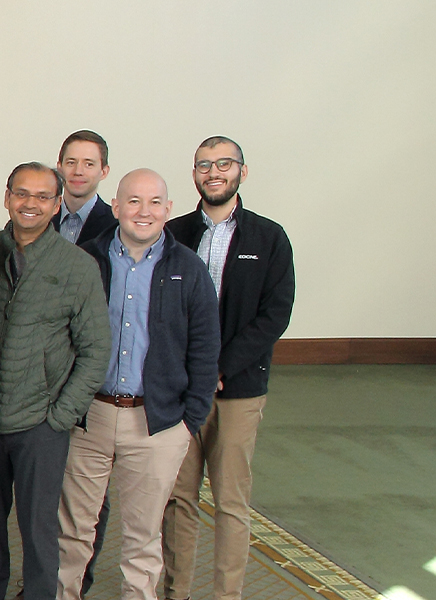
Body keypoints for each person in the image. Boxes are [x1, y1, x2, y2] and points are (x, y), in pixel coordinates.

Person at [58, 169, 221, 600]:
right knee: (73, 534)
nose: (143, 211)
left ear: (168, 209)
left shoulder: (189, 269)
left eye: (154, 202)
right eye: (133, 201)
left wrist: (188, 422)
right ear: (116, 207)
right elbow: (58, 336)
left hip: (156, 424)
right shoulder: (85, 259)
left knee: (142, 538)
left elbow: (206, 350)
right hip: (87, 418)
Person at [0, 164, 108, 600]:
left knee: (39, 530)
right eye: (22, 193)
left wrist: (59, 417)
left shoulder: (77, 266)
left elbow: (95, 351)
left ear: (57, 204)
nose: (31, 204)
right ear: (7, 197)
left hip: (40, 426)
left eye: (43, 197)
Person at [162, 136, 295, 600]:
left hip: (238, 390)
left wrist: (218, 368)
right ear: (194, 174)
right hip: (180, 390)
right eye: (204, 165)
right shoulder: (172, 233)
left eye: (224, 164)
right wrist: (187, 371)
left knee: (231, 503)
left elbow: (275, 315)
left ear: (242, 171)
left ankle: (227, 595)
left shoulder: (269, 237)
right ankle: (175, 592)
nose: (213, 172)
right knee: (177, 499)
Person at [52, 130, 119, 245]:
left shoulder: (116, 225)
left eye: (89, 164)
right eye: (71, 163)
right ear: (60, 168)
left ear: (104, 172)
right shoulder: (42, 217)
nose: (78, 171)